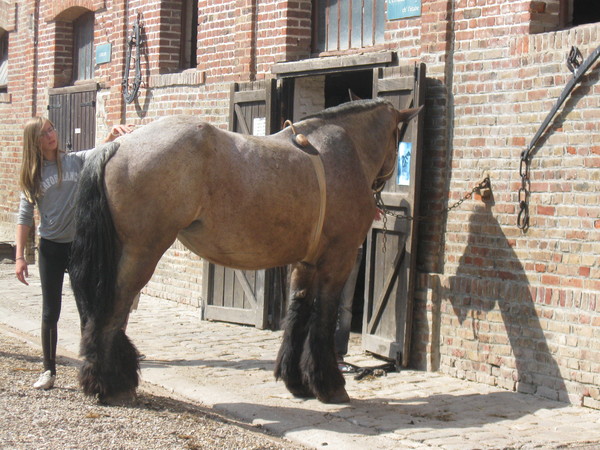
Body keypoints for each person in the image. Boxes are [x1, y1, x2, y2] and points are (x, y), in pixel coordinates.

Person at [15, 117, 133, 390]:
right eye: (44, 133)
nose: (51, 135)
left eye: (52, 129)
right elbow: (24, 217)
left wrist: (111, 135)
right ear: (35, 141)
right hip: (51, 248)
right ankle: (48, 370)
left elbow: (97, 153)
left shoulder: (72, 161)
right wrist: (20, 256)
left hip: (78, 247)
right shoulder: (32, 176)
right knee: (50, 311)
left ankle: (89, 370)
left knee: (86, 310)